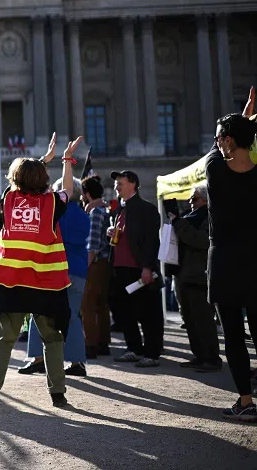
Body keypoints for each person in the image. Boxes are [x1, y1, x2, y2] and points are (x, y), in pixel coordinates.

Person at [0, 136, 83, 409]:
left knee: (4, 338)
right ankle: (58, 392)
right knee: (52, 338)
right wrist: (66, 160)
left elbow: (20, 180)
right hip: (46, 282)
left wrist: (41, 161)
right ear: (43, 180)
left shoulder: (9, 200)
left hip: (11, 281)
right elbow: (69, 189)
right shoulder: (52, 204)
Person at [206, 88, 257, 420]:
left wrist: (245, 112)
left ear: (226, 140)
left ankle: (245, 401)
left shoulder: (215, 171)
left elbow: (214, 148)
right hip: (255, 259)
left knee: (234, 337)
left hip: (224, 261)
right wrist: (245, 121)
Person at [20, 178, 91, 377]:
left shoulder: (54, 212)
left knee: (38, 312)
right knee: (73, 316)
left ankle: (38, 359)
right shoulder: (85, 216)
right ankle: (77, 362)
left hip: (53, 268)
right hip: (77, 269)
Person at [108, 170, 163, 368]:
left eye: (120, 183)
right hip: (120, 269)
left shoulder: (146, 209)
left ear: (133, 184)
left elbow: (151, 242)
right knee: (125, 313)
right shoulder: (120, 210)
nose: (116, 186)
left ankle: (152, 353)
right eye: (116, 183)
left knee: (148, 314)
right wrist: (111, 232)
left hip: (139, 270)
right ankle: (134, 349)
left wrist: (147, 267)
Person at [170, 184, 221, 372]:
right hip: (184, 274)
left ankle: (212, 358)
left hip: (200, 275)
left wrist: (179, 223)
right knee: (190, 319)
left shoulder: (211, 217)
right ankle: (199, 356)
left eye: (195, 198)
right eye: (191, 199)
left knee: (203, 320)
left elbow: (201, 241)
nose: (191, 202)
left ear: (206, 200)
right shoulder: (189, 218)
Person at [80, 175, 112, 358]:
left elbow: (91, 245)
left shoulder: (95, 213)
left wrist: (85, 266)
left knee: (87, 305)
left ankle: (91, 344)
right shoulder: (104, 210)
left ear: (87, 193)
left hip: (95, 262)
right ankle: (103, 342)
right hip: (105, 263)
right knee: (101, 305)